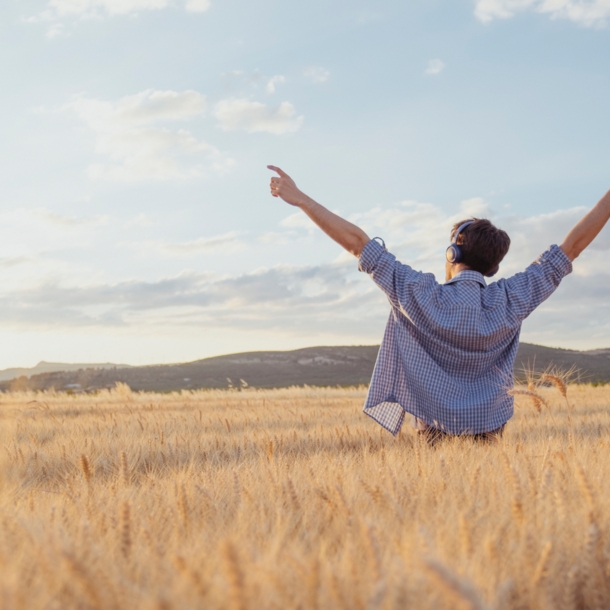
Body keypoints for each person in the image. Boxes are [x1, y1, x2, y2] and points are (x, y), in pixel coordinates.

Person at [267, 165, 610, 442]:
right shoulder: (511, 298)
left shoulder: (417, 291)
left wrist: (301, 200)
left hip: (432, 427)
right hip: (491, 427)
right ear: (493, 266)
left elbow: (358, 243)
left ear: (453, 252)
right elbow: (572, 247)